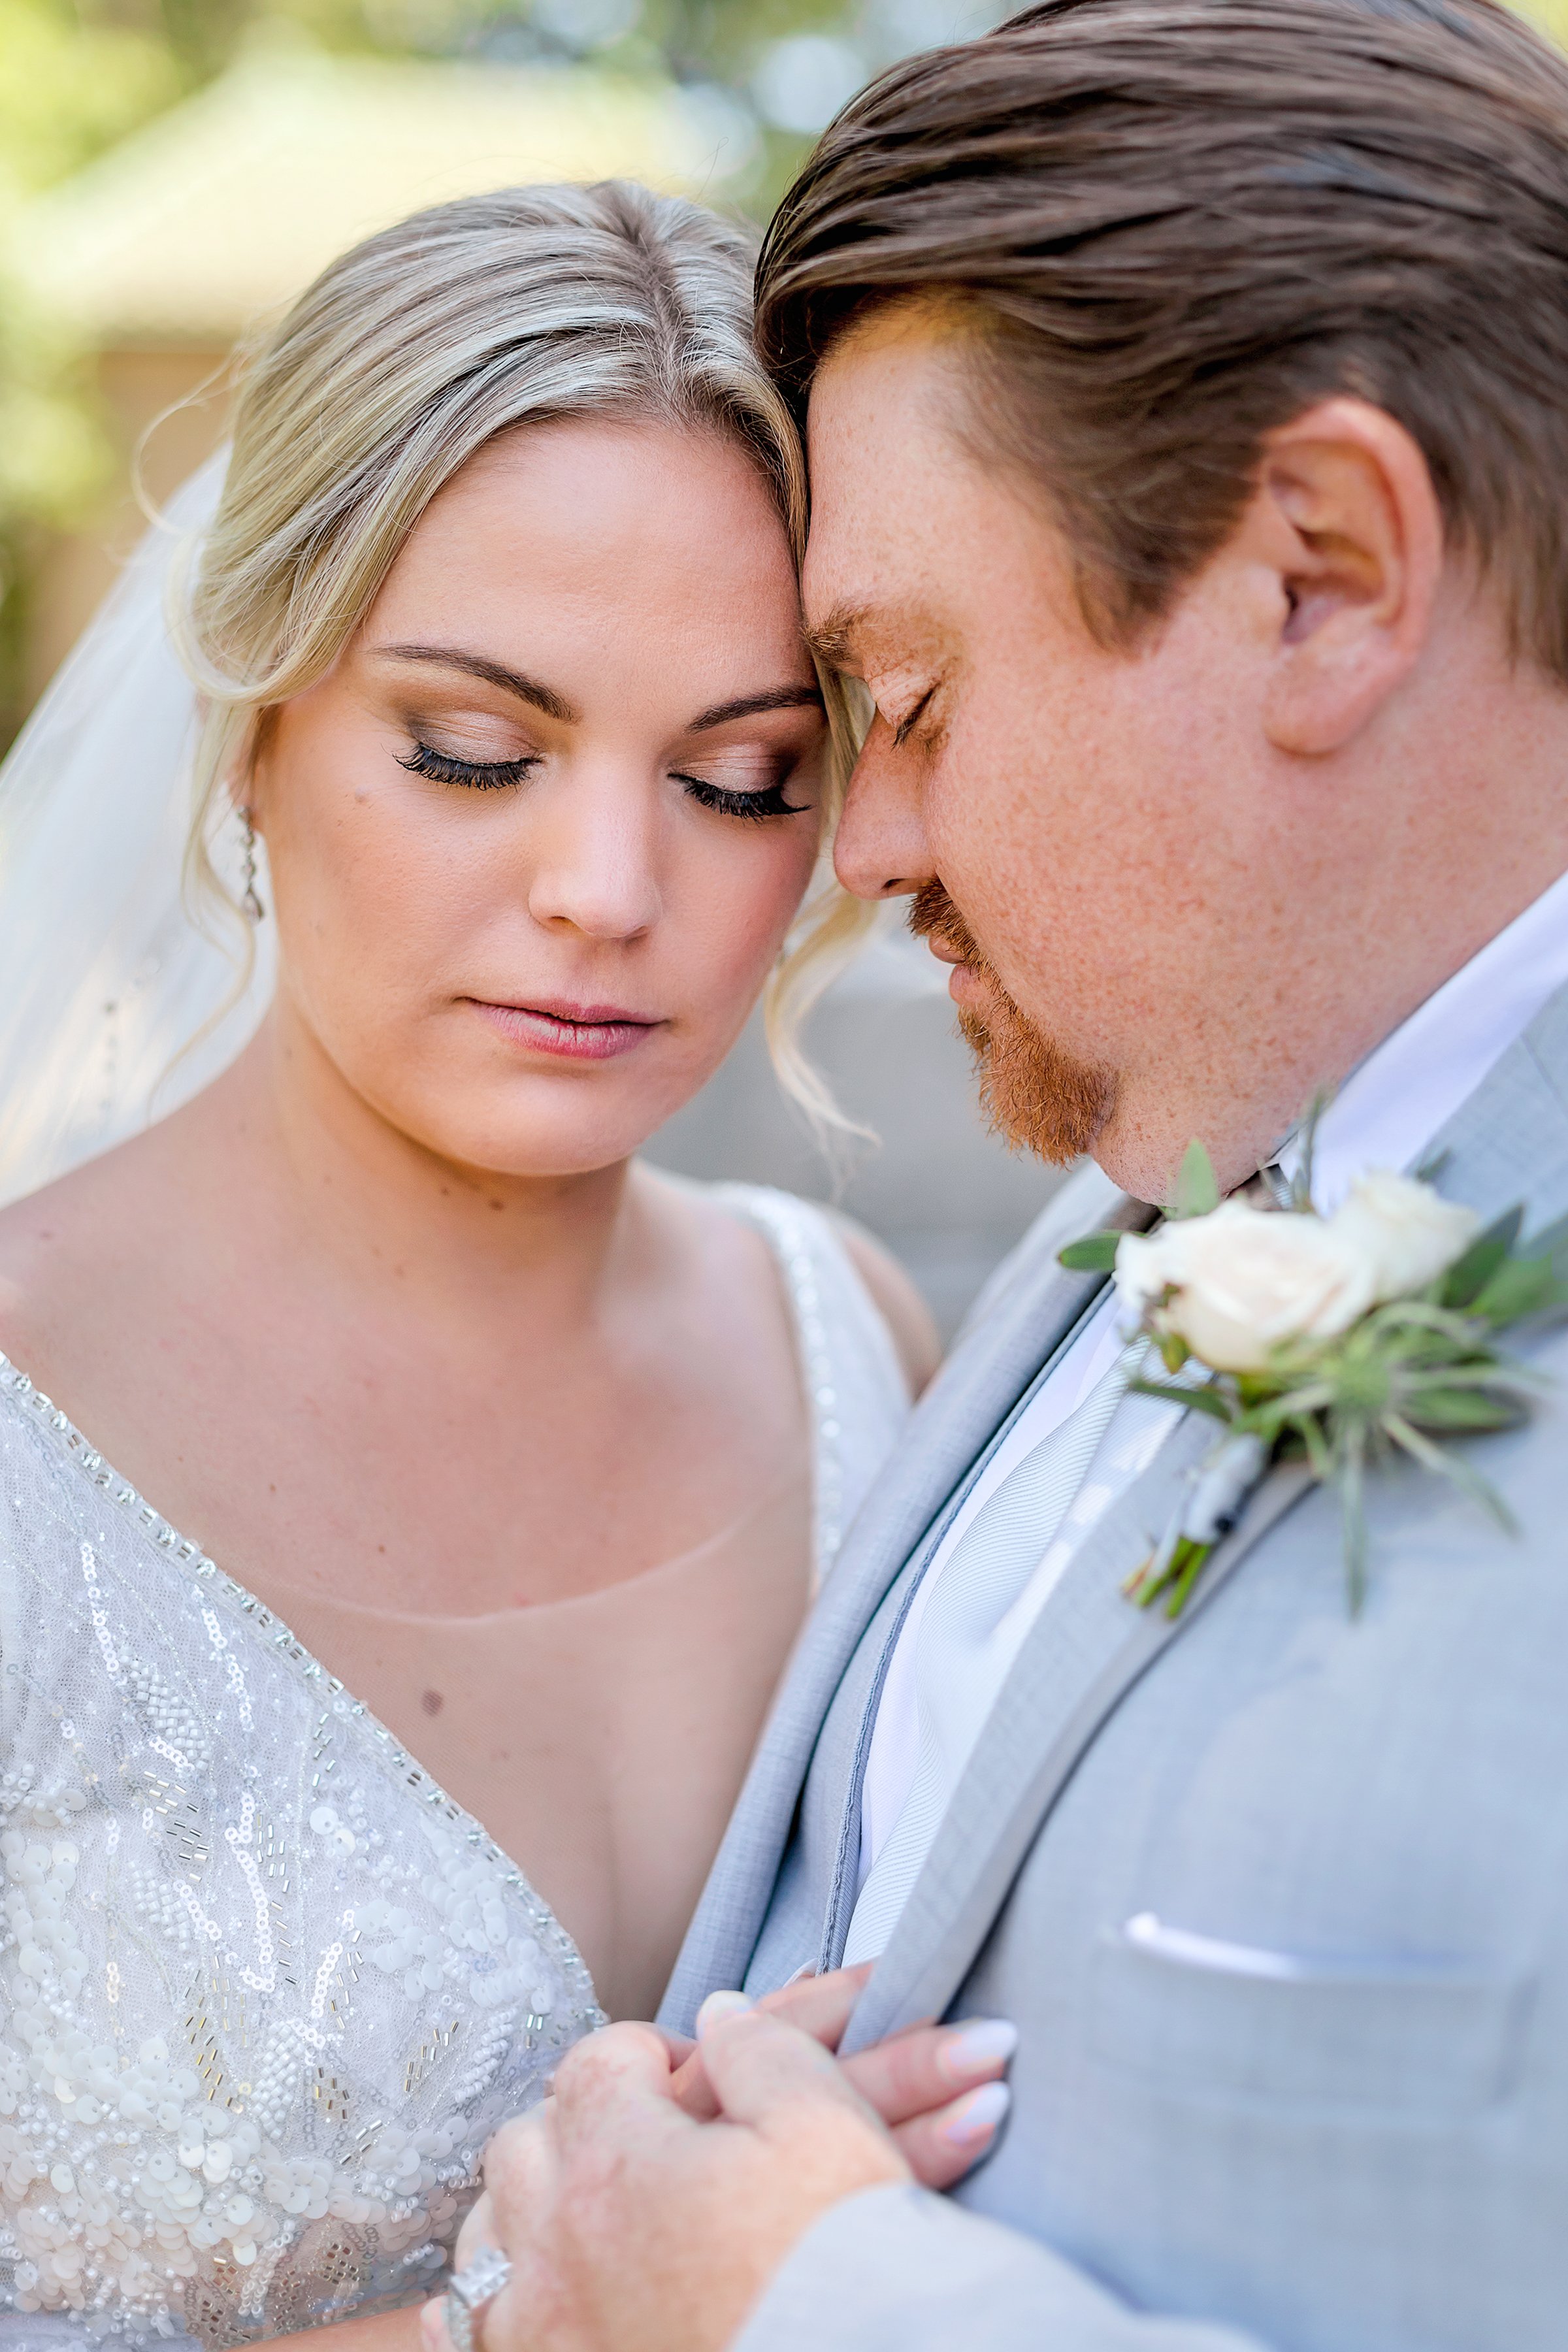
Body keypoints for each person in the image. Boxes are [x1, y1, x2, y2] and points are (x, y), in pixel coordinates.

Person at [434, 2, 1568, 2346]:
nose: (871, 845)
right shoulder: (1119, 1191)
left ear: (1326, 574)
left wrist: (800, 2302)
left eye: (911, 696)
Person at [0, 177, 1024, 2352]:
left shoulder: (858, 1342)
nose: (605, 888)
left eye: (745, 779)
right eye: (476, 748)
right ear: (256, 713)